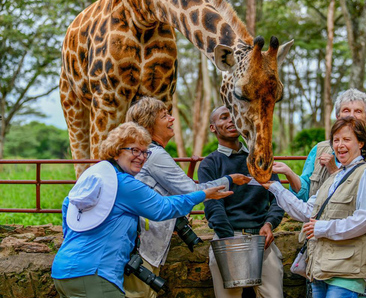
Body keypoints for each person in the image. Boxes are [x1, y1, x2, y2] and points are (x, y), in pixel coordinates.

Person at [51, 122, 233, 298]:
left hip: (63, 271)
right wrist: (203, 194)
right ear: (115, 152)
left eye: (145, 152)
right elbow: (162, 208)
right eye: (134, 150)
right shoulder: (124, 184)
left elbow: (68, 207)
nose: (141, 156)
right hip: (95, 274)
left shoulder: (94, 175)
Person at [124, 97, 250, 298]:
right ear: (149, 123)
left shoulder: (148, 153)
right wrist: (230, 179)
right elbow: (191, 190)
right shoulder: (154, 155)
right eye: (165, 116)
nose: (172, 119)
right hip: (141, 247)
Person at [261, 117, 366, 298]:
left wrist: (322, 228)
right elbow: (306, 211)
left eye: (346, 139)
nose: (340, 145)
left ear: (361, 143)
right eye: (336, 140)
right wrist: (274, 187)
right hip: (321, 267)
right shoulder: (333, 178)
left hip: (347, 270)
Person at [197, 106, 285, 298]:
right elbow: (213, 207)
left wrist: (270, 224)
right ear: (213, 128)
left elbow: (279, 197)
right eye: (224, 117)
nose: (231, 121)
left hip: (263, 242)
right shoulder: (209, 164)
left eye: (234, 116)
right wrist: (231, 242)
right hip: (226, 240)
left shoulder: (259, 158)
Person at [273, 88, 366, 202]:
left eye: (358, 111)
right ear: (338, 117)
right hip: (315, 219)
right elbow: (303, 195)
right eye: (346, 110)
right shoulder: (318, 149)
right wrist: (289, 173)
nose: (351, 116)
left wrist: (335, 171)